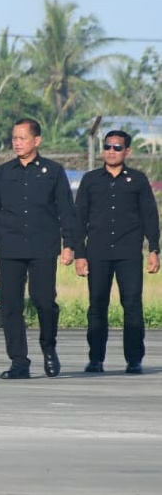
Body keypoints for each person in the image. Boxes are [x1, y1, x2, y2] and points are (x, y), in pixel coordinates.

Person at [0, 118, 77, 380]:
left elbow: (67, 211)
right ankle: (19, 362)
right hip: (10, 247)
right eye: (14, 138)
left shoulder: (53, 171)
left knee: (44, 300)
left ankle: (49, 346)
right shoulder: (3, 173)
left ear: (37, 140)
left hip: (43, 246)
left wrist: (70, 245)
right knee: (10, 305)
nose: (17, 142)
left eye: (22, 138)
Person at [74, 130, 160, 374]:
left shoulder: (139, 180)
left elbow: (150, 216)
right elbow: (79, 218)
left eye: (117, 147)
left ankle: (134, 359)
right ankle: (96, 359)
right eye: (108, 146)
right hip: (97, 252)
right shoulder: (90, 180)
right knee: (97, 305)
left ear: (127, 151)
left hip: (129, 252)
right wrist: (80, 253)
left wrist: (154, 249)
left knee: (132, 304)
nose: (111, 151)